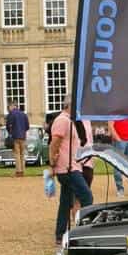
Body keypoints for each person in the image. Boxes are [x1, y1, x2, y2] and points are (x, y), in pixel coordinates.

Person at [49, 105, 93, 244]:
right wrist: (52, 163)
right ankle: (83, 232)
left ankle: (60, 234)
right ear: (70, 105)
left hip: (71, 167)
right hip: (67, 168)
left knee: (65, 202)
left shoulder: (70, 120)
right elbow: (54, 143)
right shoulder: (63, 120)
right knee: (86, 197)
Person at [110, 114, 128, 196]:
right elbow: (110, 126)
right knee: (118, 165)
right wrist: (118, 139)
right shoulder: (113, 111)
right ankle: (120, 189)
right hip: (119, 141)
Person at [5, 103, 31, 176]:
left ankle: (18, 171)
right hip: (23, 136)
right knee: (22, 154)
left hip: (15, 136)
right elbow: (27, 126)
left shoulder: (11, 114)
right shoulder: (24, 114)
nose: (8, 109)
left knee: (17, 154)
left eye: (9, 107)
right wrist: (23, 131)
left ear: (12, 106)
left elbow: (8, 126)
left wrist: (10, 132)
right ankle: (23, 171)